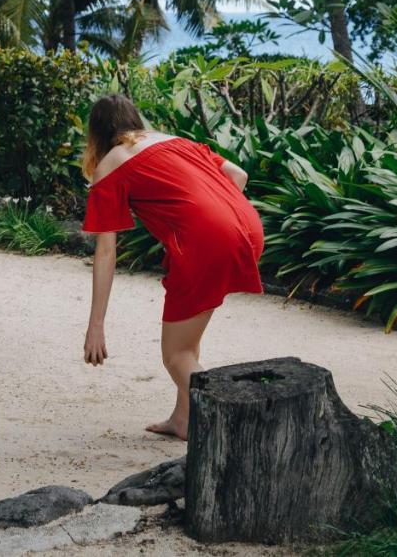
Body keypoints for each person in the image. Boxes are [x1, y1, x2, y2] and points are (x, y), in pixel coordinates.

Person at [79, 93, 263, 440]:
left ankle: (239, 423)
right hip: (248, 226)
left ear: (97, 134)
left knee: (175, 355)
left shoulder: (110, 164)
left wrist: (96, 325)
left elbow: (105, 252)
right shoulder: (174, 140)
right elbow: (238, 175)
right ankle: (183, 420)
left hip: (204, 243)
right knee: (187, 342)